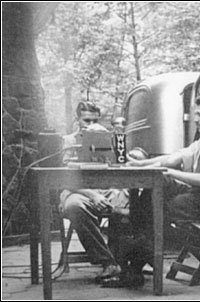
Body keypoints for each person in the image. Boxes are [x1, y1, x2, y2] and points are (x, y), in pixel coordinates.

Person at [100, 95, 200, 288]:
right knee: (157, 191)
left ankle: (135, 261)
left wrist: (168, 171)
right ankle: (139, 250)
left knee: (155, 208)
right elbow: (173, 158)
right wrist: (139, 163)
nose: (195, 119)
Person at [59, 101, 129, 282]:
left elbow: (119, 168)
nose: (90, 125)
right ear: (77, 120)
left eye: (94, 121)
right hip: (78, 191)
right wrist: (93, 194)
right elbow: (64, 177)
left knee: (127, 201)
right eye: (86, 121)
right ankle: (108, 262)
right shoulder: (70, 141)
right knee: (74, 207)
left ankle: (128, 260)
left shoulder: (106, 137)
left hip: (105, 189)